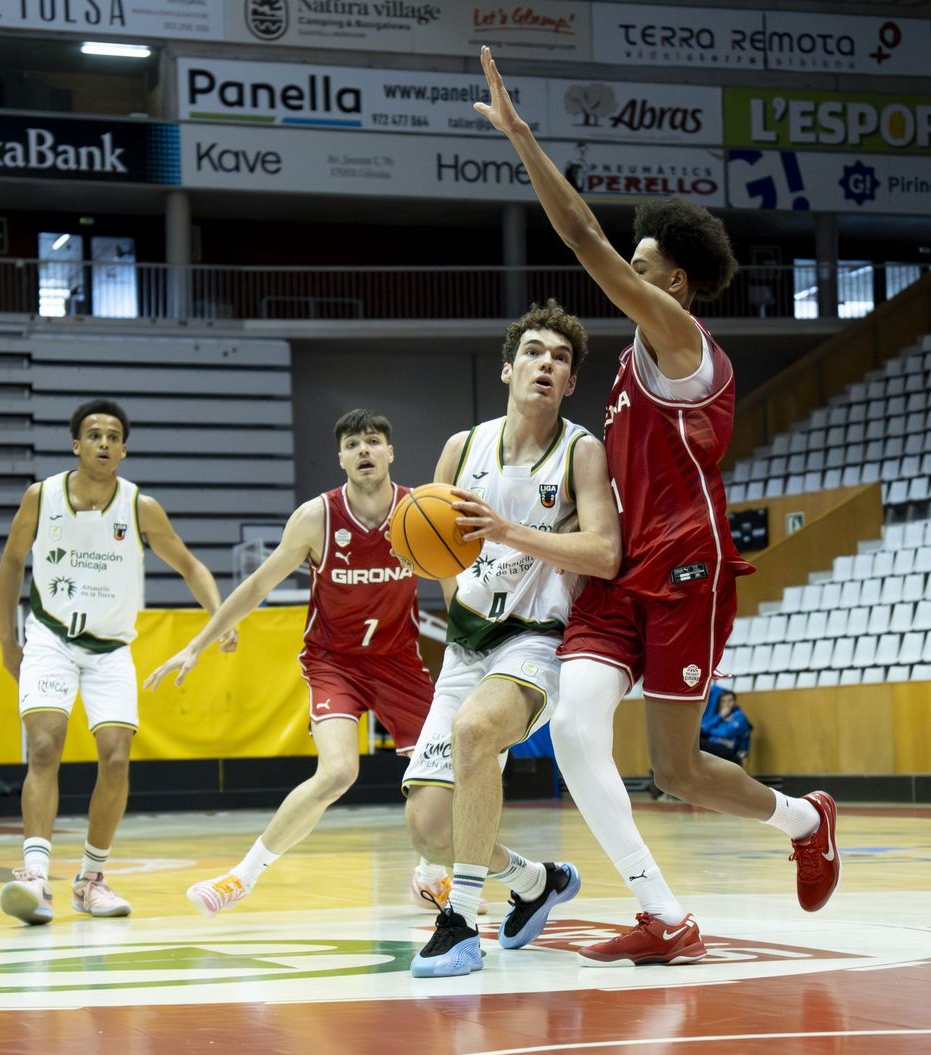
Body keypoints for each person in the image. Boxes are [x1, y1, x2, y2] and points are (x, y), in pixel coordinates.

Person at [473, 47, 840, 966]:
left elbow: (584, 241)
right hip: (622, 568)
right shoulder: (639, 363)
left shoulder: (683, 343)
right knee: (571, 727)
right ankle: (664, 917)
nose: (623, 276)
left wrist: (521, 138)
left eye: (641, 266)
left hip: (686, 567)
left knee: (674, 771)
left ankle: (804, 818)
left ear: (670, 283)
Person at [145, 409, 454, 918]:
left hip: (399, 662)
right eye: (353, 444)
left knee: (439, 777)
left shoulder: (417, 512)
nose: (364, 451)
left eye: (374, 441)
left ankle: (429, 877)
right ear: (340, 458)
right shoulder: (317, 517)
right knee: (337, 772)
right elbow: (258, 585)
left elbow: (452, 582)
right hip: (335, 662)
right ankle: (239, 879)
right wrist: (198, 643)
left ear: (391, 452)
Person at [403, 300, 622, 978]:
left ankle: (463, 923)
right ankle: (535, 881)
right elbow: (433, 550)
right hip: (468, 643)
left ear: (571, 382)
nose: (546, 364)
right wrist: (458, 606)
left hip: (536, 640)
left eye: (560, 358)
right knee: (432, 830)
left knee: (475, 730)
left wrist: (507, 533)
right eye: (533, 352)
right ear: (508, 369)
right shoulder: (460, 448)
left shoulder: (581, 450)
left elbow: (606, 552)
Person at [0, 399, 236, 926]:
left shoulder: (140, 507)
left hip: (110, 649)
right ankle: (36, 877)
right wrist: (6, 640)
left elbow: (191, 566)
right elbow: (12, 561)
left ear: (124, 449)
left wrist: (221, 618)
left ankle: (90, 880)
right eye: (93, 434)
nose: (103, 442)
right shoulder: (42, 497)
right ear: (76, 444)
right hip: (50, 639)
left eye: (113, 436)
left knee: (117, 758)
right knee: (44, 746)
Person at [699, 687, 752, 766]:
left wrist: (711, 730)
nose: (726, 703)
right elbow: (703, 729)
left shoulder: (740, 717)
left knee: (699, 743)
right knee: (696, 740)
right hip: (715, 746)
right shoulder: (720, 716)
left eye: (730, 700)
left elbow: (726, 733)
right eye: (723, 701)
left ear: (735, 702)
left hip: (729, 750)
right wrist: (720, 716)